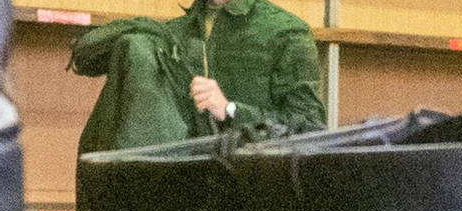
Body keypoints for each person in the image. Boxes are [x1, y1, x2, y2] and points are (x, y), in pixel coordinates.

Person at [71, 0, 323, 157]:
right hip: (181, 192)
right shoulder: (170, 35)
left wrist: (230, 110)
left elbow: (310, 128)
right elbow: (86, 59)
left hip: (248, 196)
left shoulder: (286, 32)